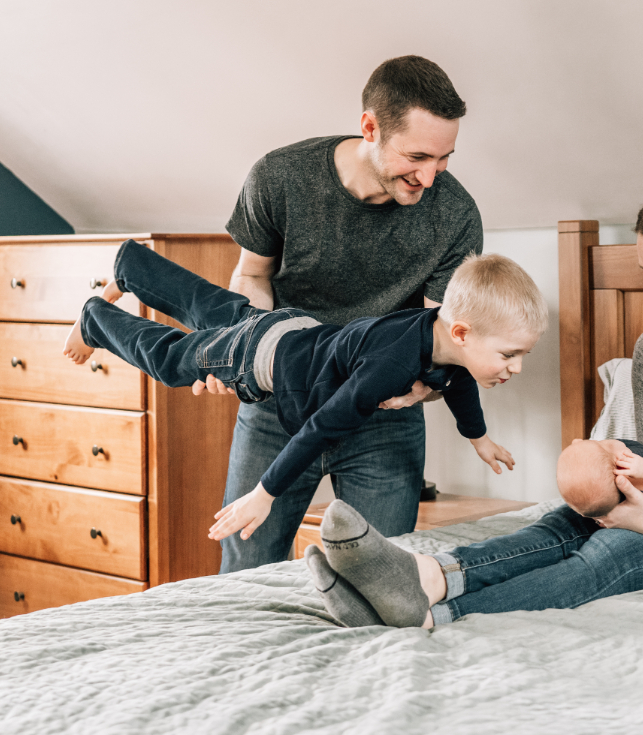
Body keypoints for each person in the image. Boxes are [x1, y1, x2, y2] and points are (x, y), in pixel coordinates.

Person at [304, 178, 643, 629]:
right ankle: (429, 574)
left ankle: (433, 617)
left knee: (622, 551)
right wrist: (615, 494)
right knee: (571, 523)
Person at [63, 241, 546, 542]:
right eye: (509, 355)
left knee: (214, 308)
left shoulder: (439, 336)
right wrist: (264, 493)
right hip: (258, 359)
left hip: (288, 327)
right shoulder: (392, 363)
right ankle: (97, 320)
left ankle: (133, 265)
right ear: (461, 332)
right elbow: (321, 427)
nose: (516, 368)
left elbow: (458, 380)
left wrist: (478, 438)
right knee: (173, 361)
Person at [203, 55, 484, 572]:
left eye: (443, 158)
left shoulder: (455, 215)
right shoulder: (280, 176)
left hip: (383, 416)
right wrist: (236, 348)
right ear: (370, 127)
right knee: (245, 569)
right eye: (417, 155)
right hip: (277, 403)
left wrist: (427, 386)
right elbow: (252, 277)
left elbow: (444, 334)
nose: (430, 176)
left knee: (380, 581)